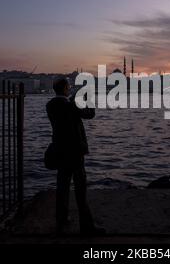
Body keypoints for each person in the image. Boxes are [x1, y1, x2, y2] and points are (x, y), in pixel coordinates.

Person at [46, 77, 105, 236]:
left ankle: (62, 220)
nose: (70, 88)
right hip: (75, 152)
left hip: (60, 151)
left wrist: (74, 100)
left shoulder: (50, 105)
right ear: (65, 88)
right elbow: (89, 114)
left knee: (62, 187)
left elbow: (65, 114)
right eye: (69, 86)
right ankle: (86, 226)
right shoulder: (71, 105)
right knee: (80, 189)